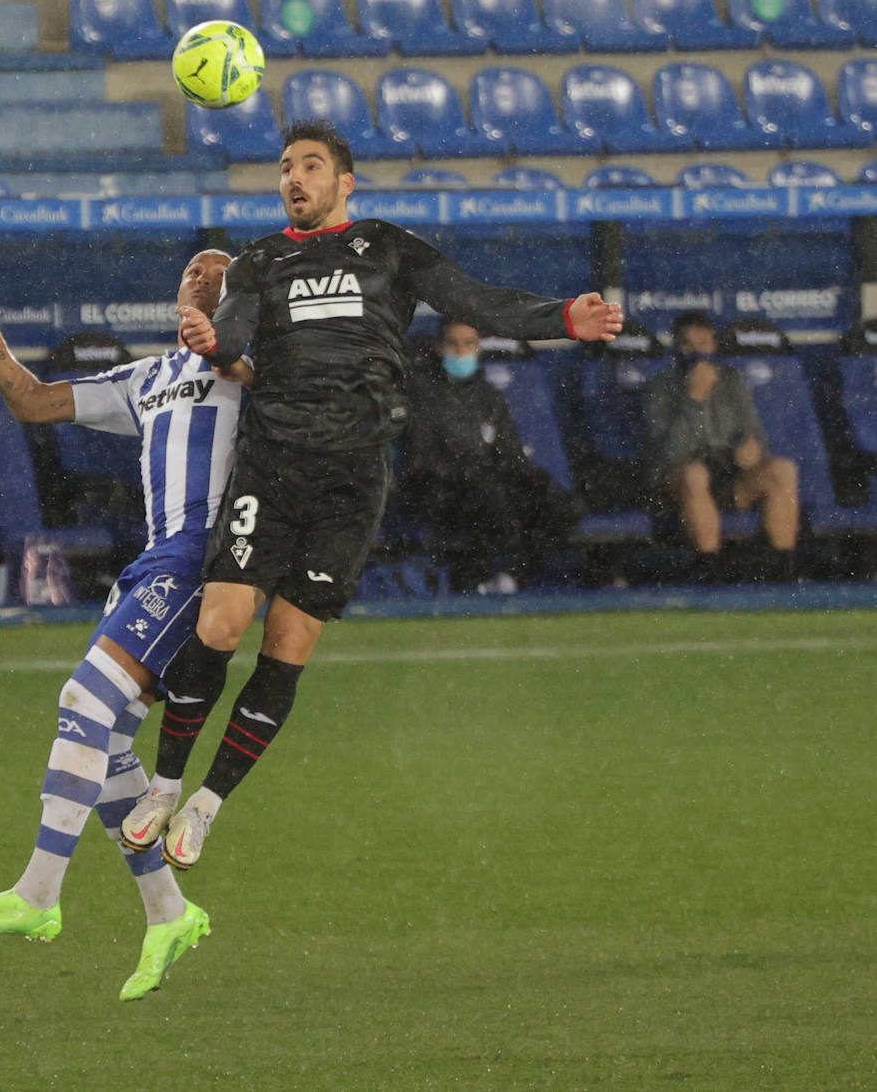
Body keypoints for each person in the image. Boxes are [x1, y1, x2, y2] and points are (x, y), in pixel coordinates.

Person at [120, 118, 624, 871]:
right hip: (273, 464)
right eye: (286, 166)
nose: (295, 177)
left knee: (288, 645)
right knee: (222, 624)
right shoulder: (259, 262)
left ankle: (207, 802)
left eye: (311, 166)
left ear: (344, 183)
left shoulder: (388, 247)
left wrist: (562, 318)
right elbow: (231, 339)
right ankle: (164, 784)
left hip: (353, 477)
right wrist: (205, 336)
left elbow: (474, 300)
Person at [0, 250, 250, 1002]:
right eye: (192, 272)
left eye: (220, 274)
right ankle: (169, 911)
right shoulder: (151, 376)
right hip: (154, 558)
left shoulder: (249, 368)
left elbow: (292, 396)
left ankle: (38, 894)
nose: (201, 277)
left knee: (82, 701)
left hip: (204, 558)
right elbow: (37, 403)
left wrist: (233, 345)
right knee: (104, 739)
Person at [399, 318, 582, 594]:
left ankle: (512, 577)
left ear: (479, 347)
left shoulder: (489, 397)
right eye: (453, 344)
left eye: (469, 344)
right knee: (490, 499)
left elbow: (511, 455)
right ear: (438, 347)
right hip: (442, 492)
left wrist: (530, 480)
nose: (461, 352)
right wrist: (470, 473)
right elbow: (421, 461)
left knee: (562, 504)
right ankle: (470, 583)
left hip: (491, 485)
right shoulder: (422, 397)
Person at [644, 310, 799, 582]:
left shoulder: (732, 380)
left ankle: (783, 569)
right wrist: (694, 399)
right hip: (681, 483)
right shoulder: (660, 387)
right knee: (695, 474)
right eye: (687, 345)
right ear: (676, 347)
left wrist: (752, 451)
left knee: (781, 470)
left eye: (702, 343)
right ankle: (710, 568)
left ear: (713, 344)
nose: (696, 352)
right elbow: (669, 454)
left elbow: (756, 436)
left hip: (731, 477)